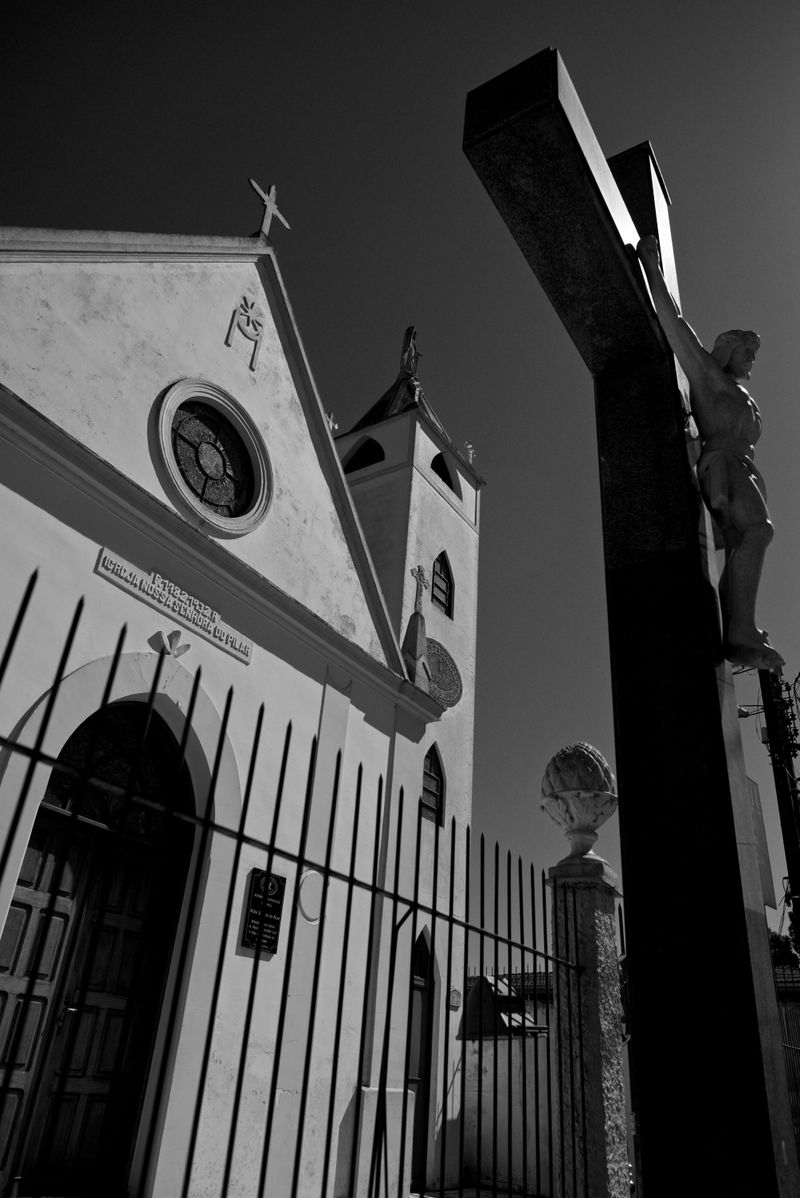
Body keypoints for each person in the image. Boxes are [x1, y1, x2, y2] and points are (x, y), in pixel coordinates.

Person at [637, 234, 784, 672]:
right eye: (747, 353)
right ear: (729, 350)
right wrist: (650, 267)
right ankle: (739, 630)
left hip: (743, 468)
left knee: (748, 538)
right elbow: (674, 322)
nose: (751, 362)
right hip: (722, 462)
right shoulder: (708, 376)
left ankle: (741, 629)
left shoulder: (741, 393)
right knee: (759, 532)